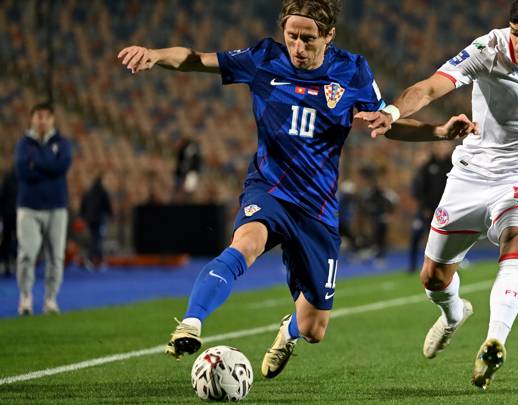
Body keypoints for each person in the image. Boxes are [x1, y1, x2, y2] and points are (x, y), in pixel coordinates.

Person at [117, 0, 472, 379]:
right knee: (245, 245)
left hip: (317, 207)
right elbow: (193, 59)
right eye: (291, 37)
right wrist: (154, 55)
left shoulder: (352, 72)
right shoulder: (263, 58)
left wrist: (436, 131)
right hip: (269, 188)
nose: (298, 48)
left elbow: (384, 121)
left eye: (308, 39)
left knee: (314, 328)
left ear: (329, 36)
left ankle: (288, 331)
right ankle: (191, 323)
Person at [356, 0, 518, 390]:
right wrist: (393, 113)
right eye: (515, 34)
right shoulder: (489, 49)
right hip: (472, 176)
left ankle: (495, 340)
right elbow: (430, 86)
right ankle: (453, 315)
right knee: (434, 278)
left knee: (517, 241)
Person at [14, 102, 73, 315]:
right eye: (39, 116)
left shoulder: (63, 143)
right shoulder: (23, 144)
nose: (42, 120)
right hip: (29, 206)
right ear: (32, 118)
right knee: (27, 254)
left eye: (46, 116)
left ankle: (50, 299)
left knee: (56, 256)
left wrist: (37, 163)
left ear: (53, 119)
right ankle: (25, 297)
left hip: (57, 206)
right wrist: (50, 166)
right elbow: (22, 171)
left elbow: (62, 167)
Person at [408, 143, 453, 273]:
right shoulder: (428, 166)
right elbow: (421, 189)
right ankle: (413, 265)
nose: (442, 148)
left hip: (446, 210)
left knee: (444, 239)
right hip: (427, 210)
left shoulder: (453, 165)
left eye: (444, 146)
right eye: (440, 146)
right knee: (416, 236)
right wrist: (424, 207)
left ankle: (446, 265)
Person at [80, 174, 114, 269]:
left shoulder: (88, 192)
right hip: (99, 220)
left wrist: (83, 217)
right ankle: (97, 260)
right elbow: (107, 205)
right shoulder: (103, 192)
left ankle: (92, 260)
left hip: (90, 220)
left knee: (94, 239)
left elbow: (83, 206)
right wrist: (111, 215)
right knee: (98, 240)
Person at [0, 167, 18, 277]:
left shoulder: (23, 178)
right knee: (6, 239)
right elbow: (2, 197)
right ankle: (6, 262)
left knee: (18, 240)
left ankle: (13, 262)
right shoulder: (9, 177)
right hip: (9, 214)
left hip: (18, 214)